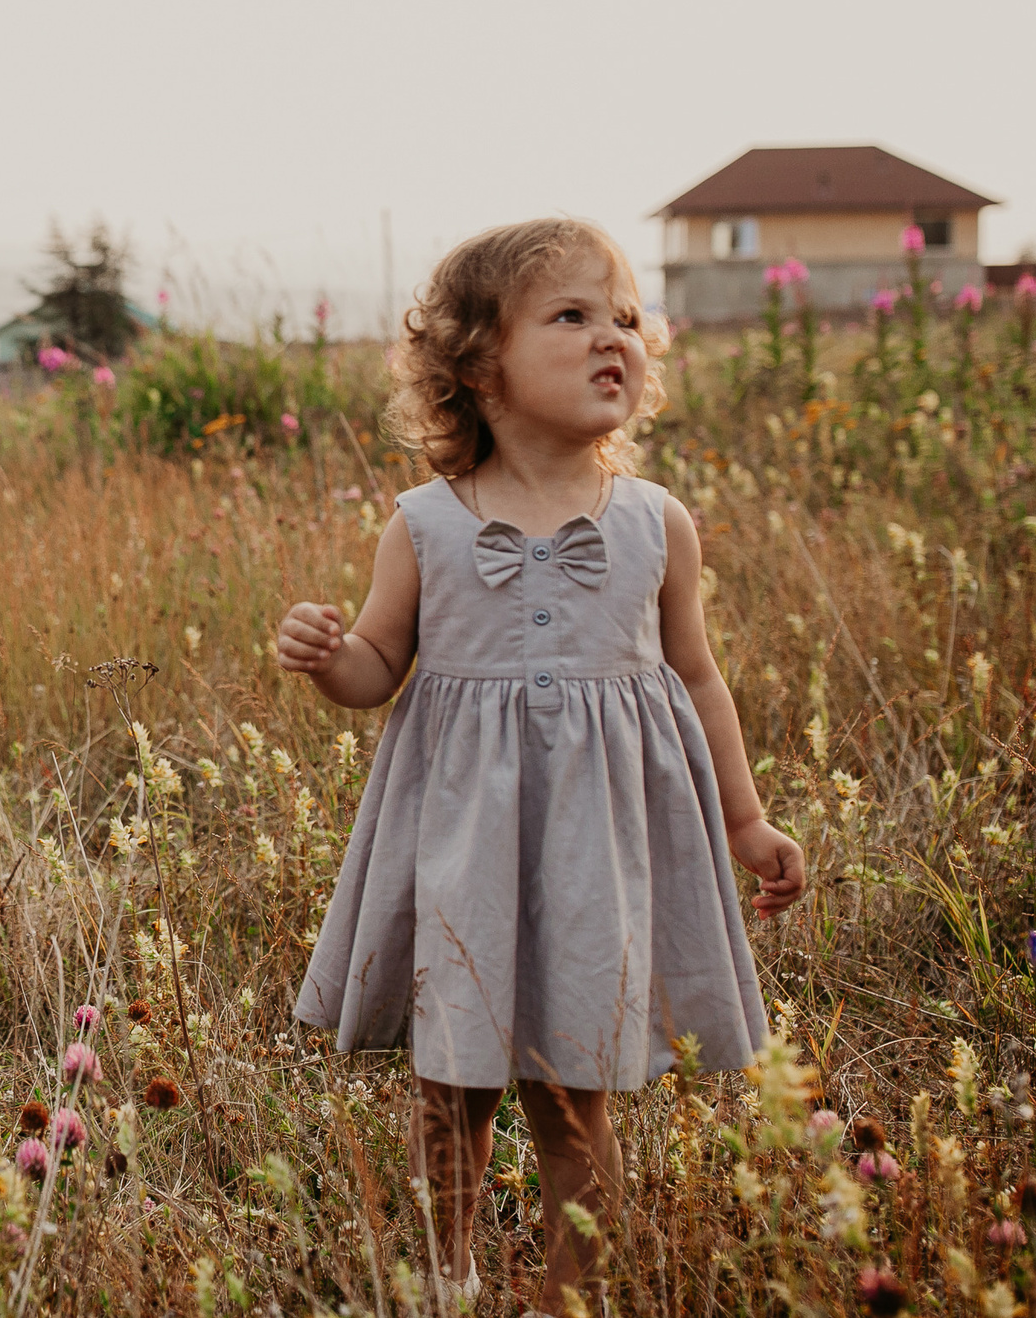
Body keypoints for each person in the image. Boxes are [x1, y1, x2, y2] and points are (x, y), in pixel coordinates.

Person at [276, 218, 805, 1315]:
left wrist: (745, 819)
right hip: (464, 849)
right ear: (479, 365)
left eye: (627, 318)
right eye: (572, 315)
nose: (615, 337)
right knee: (450, 1088)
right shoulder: (425, 525)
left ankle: (572, 1299)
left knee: (575, 1096)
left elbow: (698, 677)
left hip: (595, 856)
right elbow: (378, 667)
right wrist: (330, 660)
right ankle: (445, 1277)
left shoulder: (656, 524)